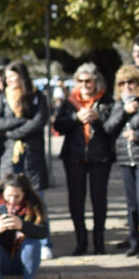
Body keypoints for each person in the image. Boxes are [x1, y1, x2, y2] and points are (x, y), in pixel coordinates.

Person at [0, 61, 52, 258]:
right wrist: (18, 124)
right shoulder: (3, 97)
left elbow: (39, 121)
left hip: (31, 154)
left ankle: (44, 241)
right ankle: (8, 240)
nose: (8, 80)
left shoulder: (37, 96)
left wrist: (15, 133)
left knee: (37, 198)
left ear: (22, 77)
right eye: (6, 77)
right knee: (7, 195)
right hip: (10, 154)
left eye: (12, 77)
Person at [54, 62, 114, 255]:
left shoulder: (106, 100)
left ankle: (99, 242)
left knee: (99, 199)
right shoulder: (69, 102)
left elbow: (114, 126)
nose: (85, 84)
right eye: (80, 81)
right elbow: (59, 126)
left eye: (88, 81)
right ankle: (81, 241)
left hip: (99, 156)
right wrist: (76, 118)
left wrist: (98, 118)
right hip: (74, 156)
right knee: (76, 200)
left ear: (96, 81)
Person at [103, 64, 139, 257]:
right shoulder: (119, 104)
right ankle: (134, 242)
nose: (127, 86)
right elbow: (109, 128)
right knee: (131, 204)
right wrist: (125, 112)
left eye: (131, 82)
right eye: (122, 83)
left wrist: (138, 134)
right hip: (125, 159)